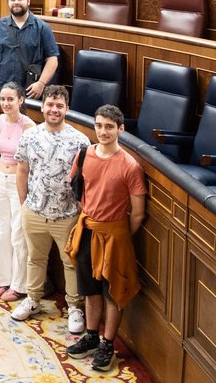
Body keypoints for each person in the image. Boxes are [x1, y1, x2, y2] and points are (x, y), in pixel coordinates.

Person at [64, 105, 147, 373]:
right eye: (99, 125)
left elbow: (138, 213)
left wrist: (120, 235)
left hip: (115, 234)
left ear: (121, 129)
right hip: (87, 229)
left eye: (109, 126)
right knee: (89, 289)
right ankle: (90, 335)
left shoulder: (130, 166)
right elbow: (81, 192)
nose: (103, 131)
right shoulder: (85, 153)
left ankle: (107, 344)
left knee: (113, 294)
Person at [11, 84, 91, 334]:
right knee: (35, 259)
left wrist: (80, 208)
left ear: (66, 109)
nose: (54, 109)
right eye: (50, 104)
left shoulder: (80, 140)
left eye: (59, 106)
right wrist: (24, 202)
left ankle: (75, 308)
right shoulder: (30, 135)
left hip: (66, 215)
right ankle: (33, 299)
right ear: (42, 106)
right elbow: (22, 169)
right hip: (34, 211)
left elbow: (86, 178)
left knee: (70, 263)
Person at [0, 81, 33, 303]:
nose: (6, 103)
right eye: (3, 99)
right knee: (2, 230)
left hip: (18, 181)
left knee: (18, 233)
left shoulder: (28, 126)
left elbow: (32, 162)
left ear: (20, 100)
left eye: (10, 99)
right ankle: (2, 279)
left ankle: (19, 285)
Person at [0, 0, 59, 99]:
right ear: (8, 2)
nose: (16, 2)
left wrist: (41, 83)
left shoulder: (43, 28)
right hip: (2, 91)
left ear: (28, 1)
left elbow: (52, 59)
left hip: (30, 92)